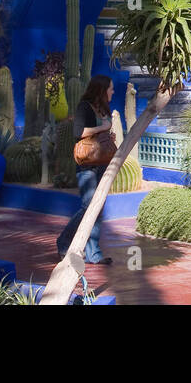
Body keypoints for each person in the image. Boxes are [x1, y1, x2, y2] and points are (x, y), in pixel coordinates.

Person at [55, 75, 115, 265]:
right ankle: (64, 242)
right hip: (87, 164)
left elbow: (102, 130)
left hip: (103, 161)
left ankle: (93, 253)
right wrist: (101, 128)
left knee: (98, 208)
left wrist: (107, 133)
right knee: (88, 206)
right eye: (110, 89)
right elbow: (78, 132)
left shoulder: (104, 109)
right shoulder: (84, 107)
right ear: (101, 90)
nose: (113, 92)